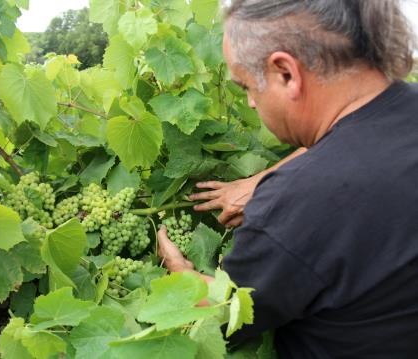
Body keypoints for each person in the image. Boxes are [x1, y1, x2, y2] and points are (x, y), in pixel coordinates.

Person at [156, 0, 418, 357]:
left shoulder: (295, 206)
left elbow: (227, 315)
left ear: (286, 73)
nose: (249, 103)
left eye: (246, 86)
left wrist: (180, 275)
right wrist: (268, 178)